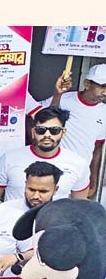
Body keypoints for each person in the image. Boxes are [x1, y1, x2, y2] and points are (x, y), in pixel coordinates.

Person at [0, 106, 90, 201]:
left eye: (54, 130)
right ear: (33, 132)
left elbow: (80, 205)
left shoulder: (78, 163)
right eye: (41, 130)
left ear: (63, 132)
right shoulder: (9, 158)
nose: (47, 135)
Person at [41, 63, 106, 195]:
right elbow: (43, 119)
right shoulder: (64, 99)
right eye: (102, 86)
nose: (105, 91)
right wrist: (57, 95)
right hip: (54, 169)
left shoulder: (104, 112)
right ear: (87, 84)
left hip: (80, 175)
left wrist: (93, 179)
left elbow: (97, 148)